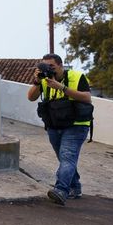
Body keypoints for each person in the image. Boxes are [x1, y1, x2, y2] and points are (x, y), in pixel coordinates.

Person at [26, 53, 92, 205]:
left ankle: (61, 190)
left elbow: (87, 98)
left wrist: (61, 87)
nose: (49, 70)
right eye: (45, 67)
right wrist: (37, 81)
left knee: (67, 156)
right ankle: (75, 187)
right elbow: (31, 97)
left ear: (61, 65)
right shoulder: (44, 80)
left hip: (76, 124)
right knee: (65, 158)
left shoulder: (77, 77)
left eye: (52, 66)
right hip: (55, 124)